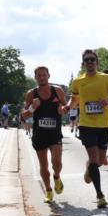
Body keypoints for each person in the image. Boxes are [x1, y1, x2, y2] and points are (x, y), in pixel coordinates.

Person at [68, 49, 108, 208]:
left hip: (104, 125)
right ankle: (100, 195)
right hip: (86, 125)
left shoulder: (106, 78)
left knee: (98, 162)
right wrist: (66, 108)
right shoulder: (78, 82)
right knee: (94, 159)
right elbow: (74, 101)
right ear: (83, 63)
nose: (90, 62)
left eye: (92, 59)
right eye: (87, 60)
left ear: (97, 62)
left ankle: (89, 169)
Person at [23, 66, 67, 203]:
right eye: (39, 76)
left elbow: (66, 108)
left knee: (57, 162)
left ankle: (57, 177)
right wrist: (32, 107)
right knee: (44, 166)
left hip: (55, 133)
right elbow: (23, 116)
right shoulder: (31, 94)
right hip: (40, 134)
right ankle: (48, 190)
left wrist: (62, 109)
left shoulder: (57, 91)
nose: (41, 77)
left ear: (49, 75)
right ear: (35, 78)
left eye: (44, 75)